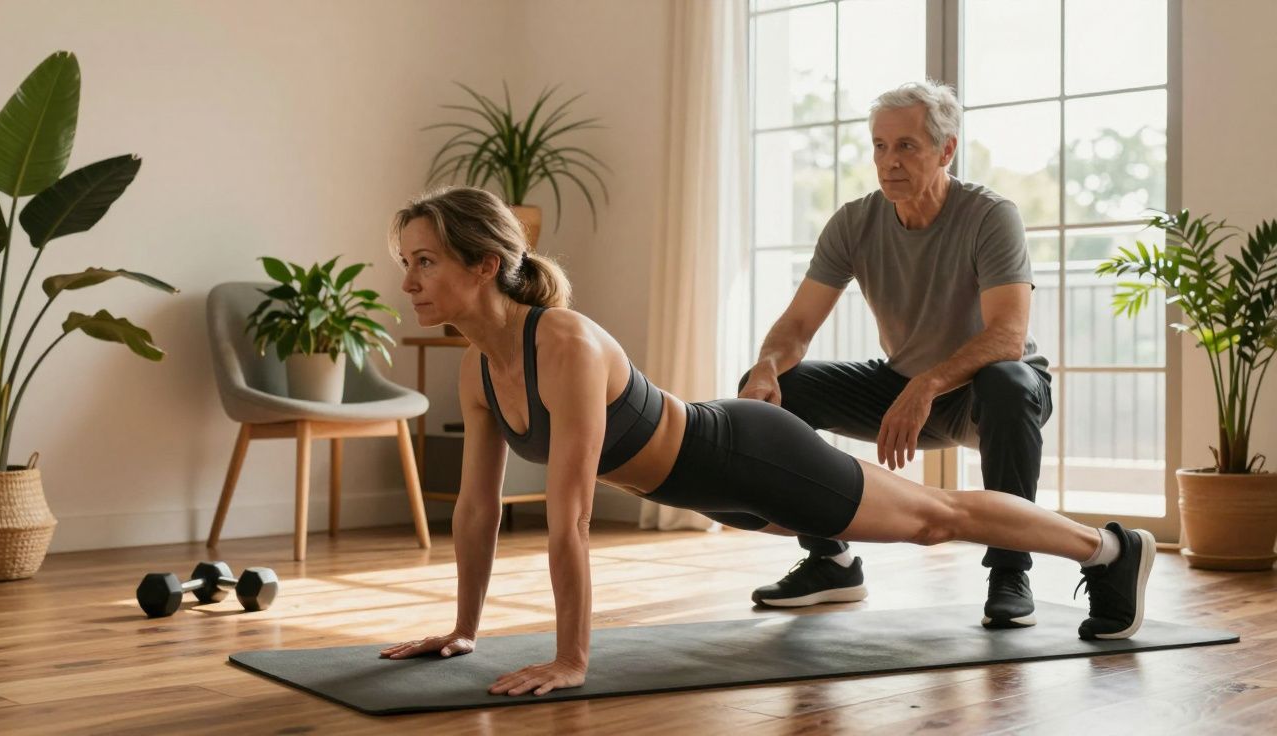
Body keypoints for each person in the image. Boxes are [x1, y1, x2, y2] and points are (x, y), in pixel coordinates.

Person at [378, 186, 1154, 698]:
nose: (408, 282)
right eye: (404, 264)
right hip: (720, 497)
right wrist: (464, 630)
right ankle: (838, 565)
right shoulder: (479, 372)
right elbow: (477, 512)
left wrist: (573, 659)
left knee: (934, 516)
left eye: (424, 262)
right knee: (922, 515)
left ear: (485, 265)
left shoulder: (566, 345)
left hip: (747, 456)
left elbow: (569, 516)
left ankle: (1111, 550)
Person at [740, 80, 1052, 629]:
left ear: (946, 150)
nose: (889, 162)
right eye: (880, 147)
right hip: (901, 382)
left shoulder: (989, 216)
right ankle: (831, 561)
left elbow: (1007, 335)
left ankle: (1009, 568)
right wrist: (767, 364)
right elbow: (797, 324)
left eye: (906, 146)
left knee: (1011, 382)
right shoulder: (854, 223)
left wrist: (928, 385)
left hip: (985, 388)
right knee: (780, 390)